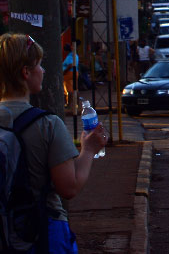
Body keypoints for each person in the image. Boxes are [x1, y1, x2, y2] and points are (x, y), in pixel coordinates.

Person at [0, 33, 107, 252]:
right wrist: (88, 150)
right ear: (26, 73)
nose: (43, 70)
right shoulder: (47, 125)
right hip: (40, 231)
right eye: (39, 65)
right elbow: (69, 186)